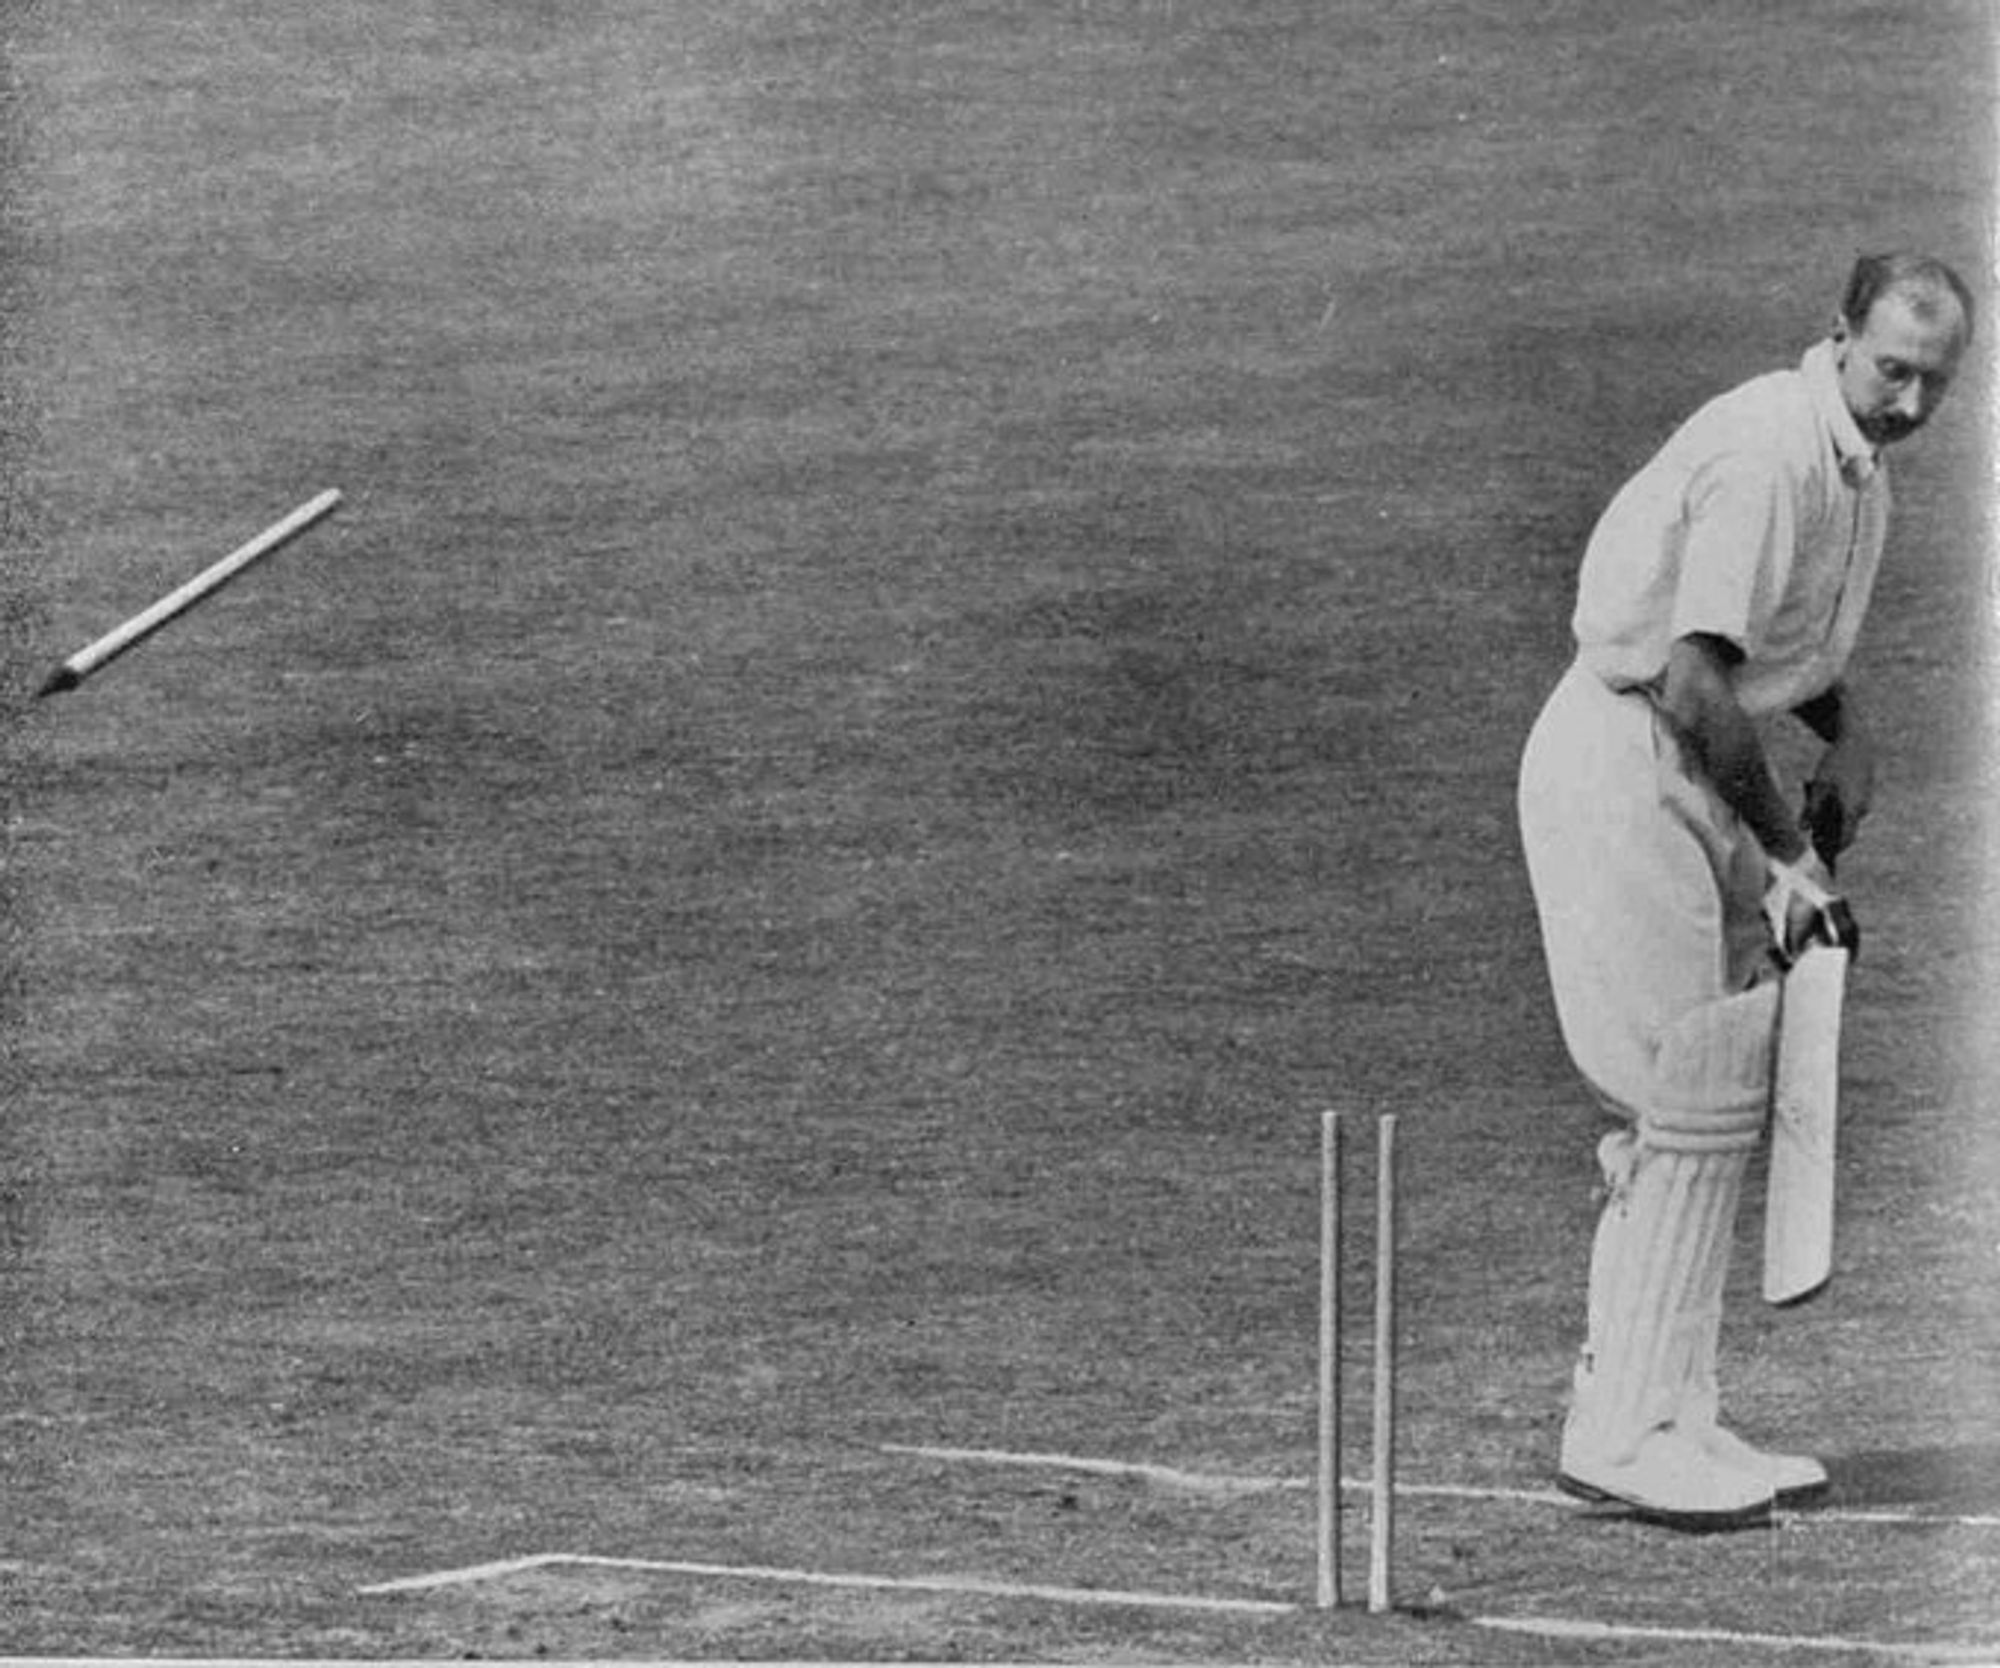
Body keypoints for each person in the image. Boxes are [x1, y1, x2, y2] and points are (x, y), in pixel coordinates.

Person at [1516, 253, 1974, 1528]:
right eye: (1889, 370)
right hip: (1622, 758)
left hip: (1683, 765)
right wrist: (1788, 860)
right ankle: (1616, 1434)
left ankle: (1673, 1412)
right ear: (1833, 337)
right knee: (1675, 1093)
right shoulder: (1767, 456)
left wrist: (1851, 728)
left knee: (1708, 1088)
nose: (1907, 404)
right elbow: (1690, 682)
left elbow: (1768, 645)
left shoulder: (1847, 471)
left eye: (1934, 383)